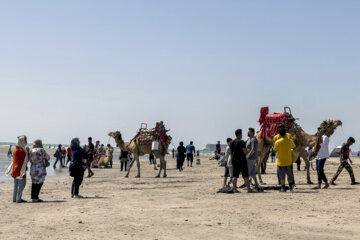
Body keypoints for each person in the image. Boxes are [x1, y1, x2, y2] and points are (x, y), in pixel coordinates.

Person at [6, 136, 29, 203]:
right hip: (21, 170)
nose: (26, 142)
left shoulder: (15, 149)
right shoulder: (22, 151)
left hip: (15, 169)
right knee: (22, 184)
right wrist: (27, 152)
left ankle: (14, 198)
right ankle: (19, 198)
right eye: (25, 141)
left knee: (16, 185)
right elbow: (26, 160)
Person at [230, 129, 254, 193]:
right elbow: (245, 151)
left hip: (234, 160)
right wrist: (247, 153)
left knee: (235, 175)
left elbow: (231, 152)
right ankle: (249, 189)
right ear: (240, 134)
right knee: (245, 175)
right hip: (242, 160)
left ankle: (234, 189)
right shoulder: (241, 142)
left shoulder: (232, 142)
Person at [274, 128, 296, 192]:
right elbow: (294, 147)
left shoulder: (277, 142)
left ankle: (283, 187)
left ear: (279, 134)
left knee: (282, 175)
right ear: (285, 133)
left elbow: (275, 150)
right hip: (288, 160)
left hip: (280, 161)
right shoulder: (290, 141)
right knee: (289, 174)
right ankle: (291, 186)